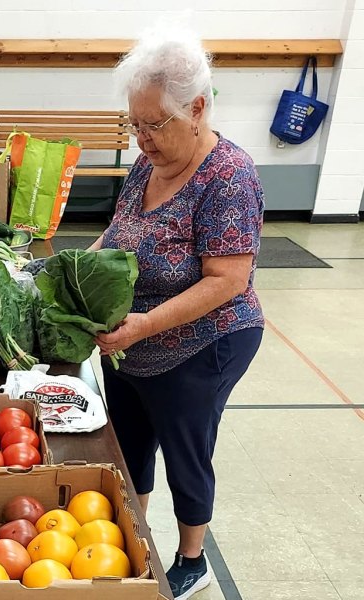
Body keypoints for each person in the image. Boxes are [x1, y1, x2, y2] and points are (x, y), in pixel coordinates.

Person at [90, 27, 264, 600]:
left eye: (154, 125)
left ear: (197, 108)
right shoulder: (148, 163)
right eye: (134, 124)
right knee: (129, 439)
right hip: (133, 337)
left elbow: (227, 280)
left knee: (187, 444)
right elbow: (117, 238)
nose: (142, 139)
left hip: (206, 338)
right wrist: (67, 274)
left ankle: (192, 559)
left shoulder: (229, 177)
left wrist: (143, 325)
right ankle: (130, 535)